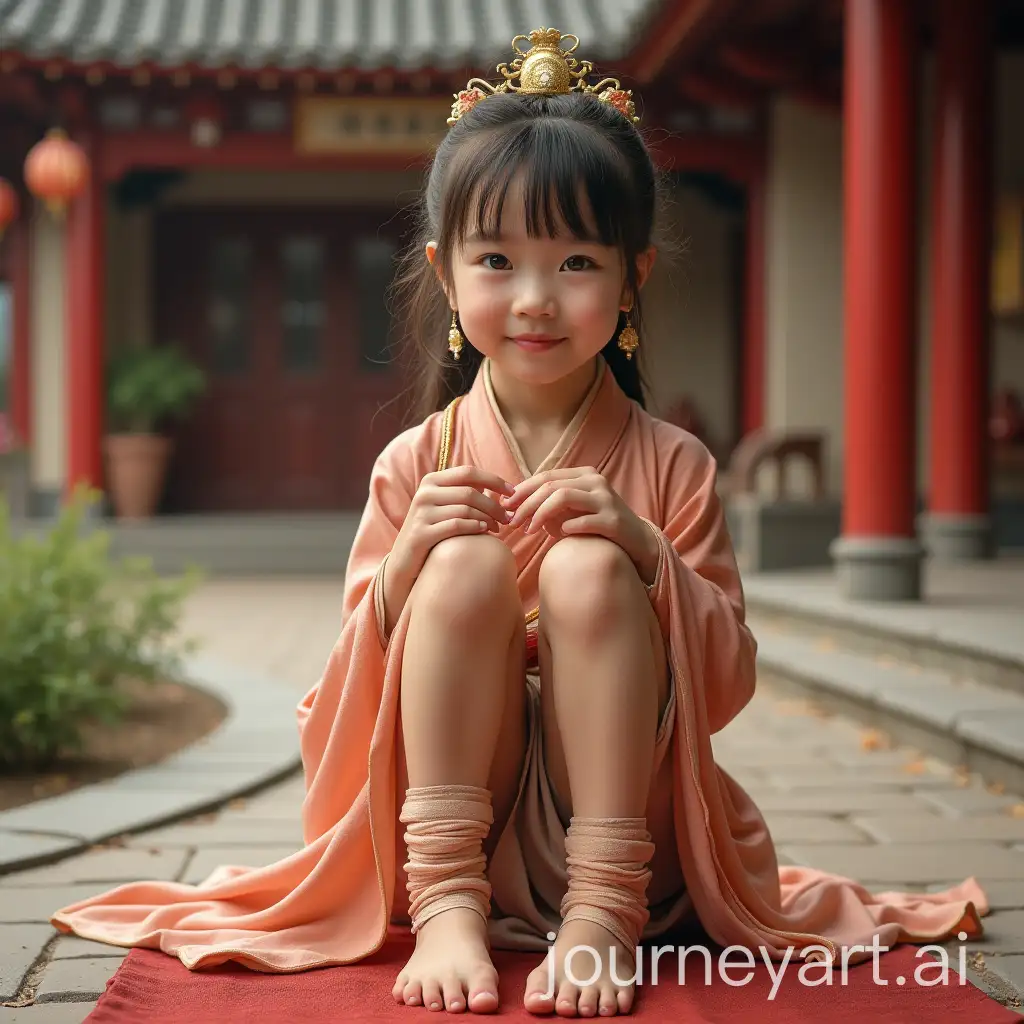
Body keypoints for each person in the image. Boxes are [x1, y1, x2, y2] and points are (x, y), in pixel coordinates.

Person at [53, 27, 988, 1018]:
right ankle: (452, 906)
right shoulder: (416, 463)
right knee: (456, 567)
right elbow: (332, 719)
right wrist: (408, 562)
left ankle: (597, 915)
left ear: (631, 279)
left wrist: (645, 550)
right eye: (497, 258)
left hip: (628, 830)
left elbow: (724, 689)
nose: (536, 299)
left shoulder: (672, 464)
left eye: (576, 260)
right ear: (447, 276)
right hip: (461, 823)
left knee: (589, 570)